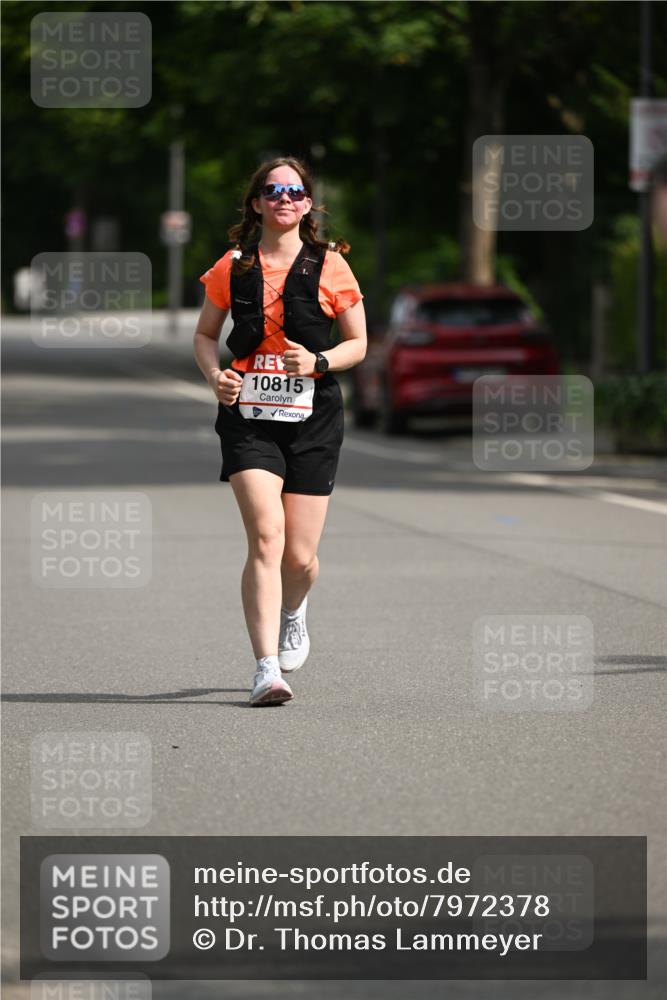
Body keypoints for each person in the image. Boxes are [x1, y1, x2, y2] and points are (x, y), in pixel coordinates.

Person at [193, 157, 367, 706]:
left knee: (299, 557)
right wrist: (215, 377)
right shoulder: (232, 266)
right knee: (267, 537)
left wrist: (319, 361)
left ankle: (294, 609)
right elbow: (204, 336)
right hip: (248, 415)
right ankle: (266, 669)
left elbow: (359, 343)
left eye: (294, 191)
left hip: (313, 416)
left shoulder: (331, 266)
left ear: (307, 203)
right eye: (272, 191)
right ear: (256, 203)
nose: (283, 199)